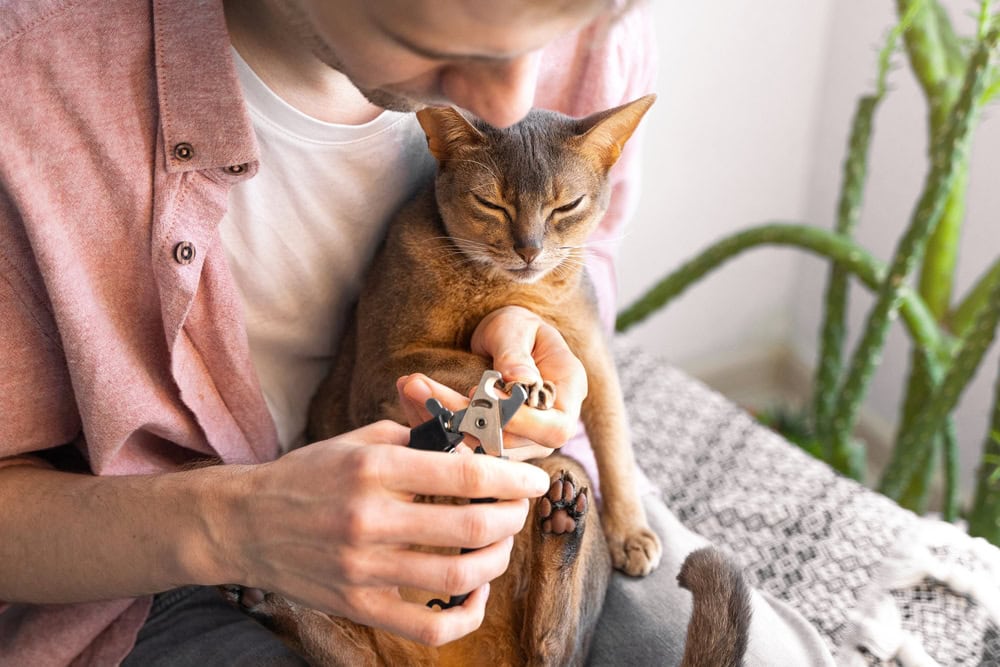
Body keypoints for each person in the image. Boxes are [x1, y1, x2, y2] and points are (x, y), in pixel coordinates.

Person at [0, 0, 836, 665]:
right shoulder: (31, 72)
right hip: (170, 562)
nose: (514, 101)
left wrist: (520, 318)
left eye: (546, 33)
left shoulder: (598, 25)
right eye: (431, 37)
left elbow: (588, 262)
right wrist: (235, 525)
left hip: (513, 496)